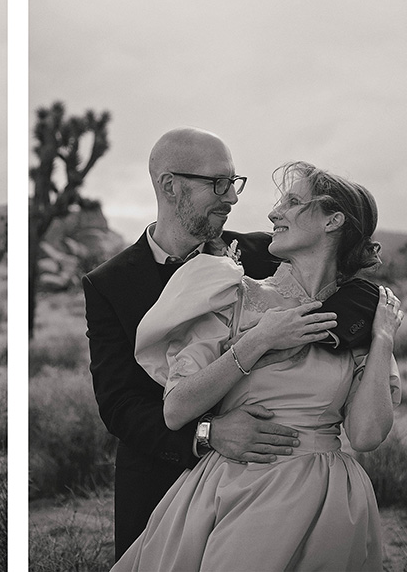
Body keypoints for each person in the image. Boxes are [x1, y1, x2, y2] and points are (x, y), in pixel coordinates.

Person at [83, 127, 375, 560]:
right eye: (218, 184)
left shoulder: (264, 252)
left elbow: (347, 282)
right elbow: (120, 403)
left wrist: (335, 329)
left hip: (273, 488)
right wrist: (208, 433)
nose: (232, 197)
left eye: (234, 183)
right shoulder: (110, 283)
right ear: (170, 185)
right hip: (160, 472)